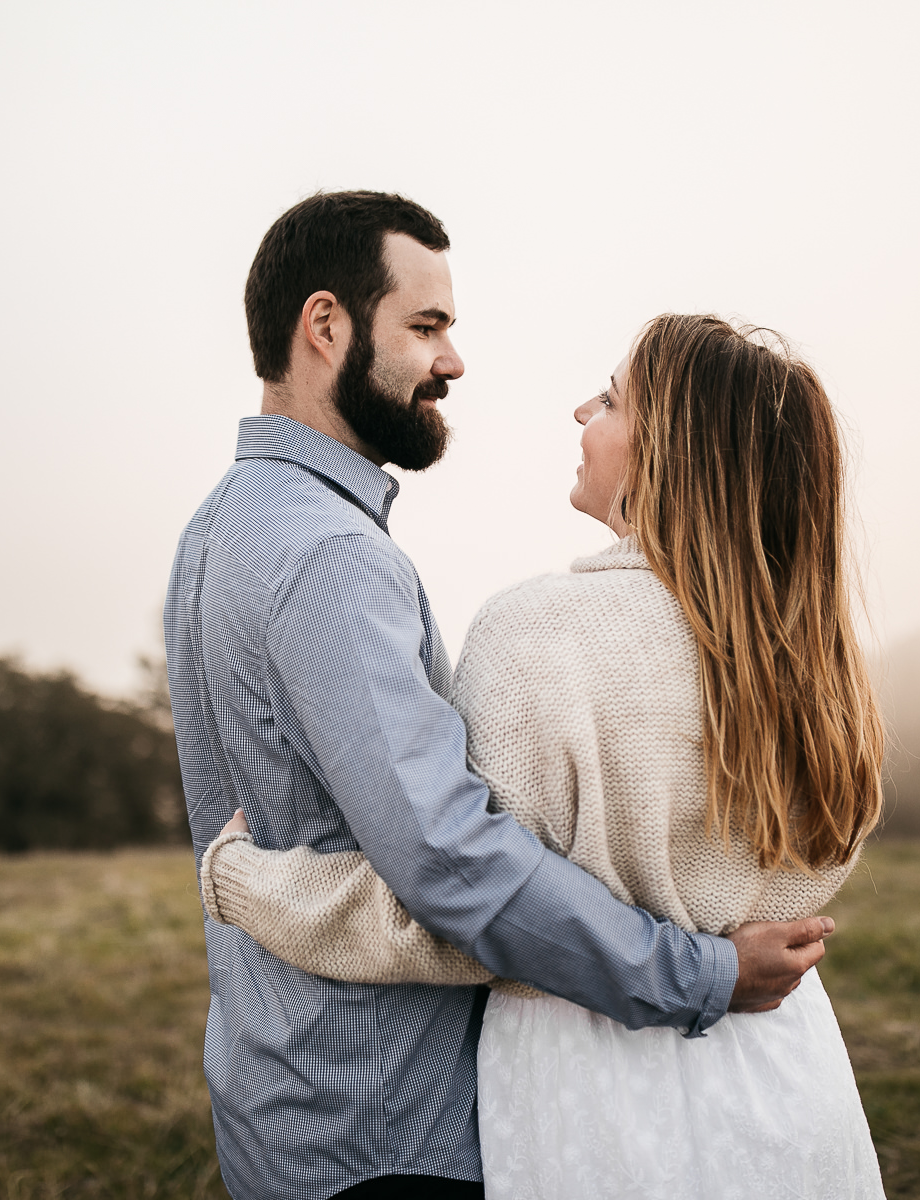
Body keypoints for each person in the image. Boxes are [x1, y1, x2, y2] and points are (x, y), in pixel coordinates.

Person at [164, 192, 838, 1200]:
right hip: (385, 1122)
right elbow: (452, 859)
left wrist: (246, 882)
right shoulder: (334, 559)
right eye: (426, 327)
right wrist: (700, 974)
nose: (453, 361)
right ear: (325, 327)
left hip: (287, 1086)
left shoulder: (223, 526)